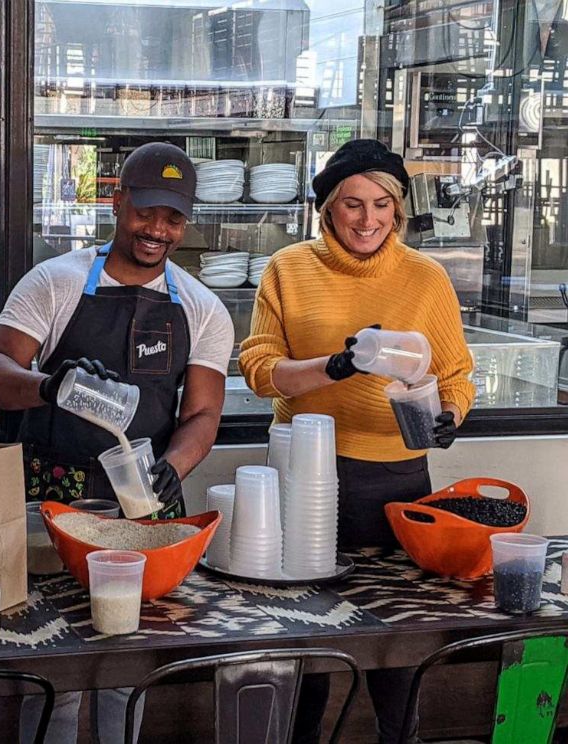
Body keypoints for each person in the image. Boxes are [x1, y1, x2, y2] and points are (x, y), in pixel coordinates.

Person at [0, 141, 234, 743]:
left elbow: (201, 414)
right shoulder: (55, 283)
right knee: (50, 660)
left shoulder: (202, 308)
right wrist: (49, 385)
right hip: (47, 500)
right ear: (118, 202)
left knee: (129, 663)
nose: (156, 230)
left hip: (143, 502)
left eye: (172, 218)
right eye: (145, 212)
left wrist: (174, 466)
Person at [239, 139, 476, 744]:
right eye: (352, 204)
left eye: (381, 204)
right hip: (302, 472)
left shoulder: (425, 278)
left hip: (396, 479)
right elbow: (261, 368)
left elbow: (454, 375)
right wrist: (334, 368)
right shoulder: (288, 268)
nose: (368, 219)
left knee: (397, 642)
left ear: (398, 208)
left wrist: (449, 414)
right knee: (306, 636)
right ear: (327, 208)